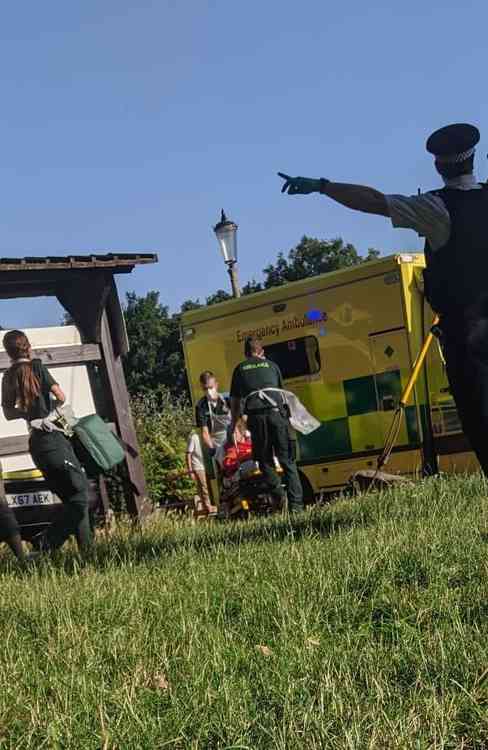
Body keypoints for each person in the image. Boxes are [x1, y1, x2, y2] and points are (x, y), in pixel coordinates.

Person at [278, 123, 488, 475]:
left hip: (468, 336)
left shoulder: (437, 209)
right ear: (474, 159)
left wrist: (323, 187)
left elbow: (374, 201)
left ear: (438, 165)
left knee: (480, 419)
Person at [1, 330, 93, 554]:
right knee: (81, 496)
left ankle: (88, 554)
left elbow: (8, 413)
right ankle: (47, 541)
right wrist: (48, 413)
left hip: (36, 445)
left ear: (9, 352)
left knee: (72, 498)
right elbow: (61, 396)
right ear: (28, 346)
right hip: (54, 440)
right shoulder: (38, 367)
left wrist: (29, 417)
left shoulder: (8, 377)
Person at [229, 336, 304, 513]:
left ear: (246, 353)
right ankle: (297, 507)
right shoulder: (272, 366)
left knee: (264, 462)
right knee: (288, 462)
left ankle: (279, 496)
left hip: (256, 419)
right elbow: (280, 393)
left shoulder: (239, 369)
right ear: (261, 352)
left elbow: (234, 401)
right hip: (277, 416)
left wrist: (235, 423)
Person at [195, 371, 231, 455]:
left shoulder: (228, 398)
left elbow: (240, 421)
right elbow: (205, 432)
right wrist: (211, 448)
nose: (208, 391)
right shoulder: (201, 406)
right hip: (217, 443)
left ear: (216, 385)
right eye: (205, 389)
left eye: (211, 387)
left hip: (234, 437)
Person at [186, 429, 217, 518]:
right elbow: (188, 454)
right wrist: (190, 470)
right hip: (198, 466)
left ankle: (210, 505)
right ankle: (208, 507)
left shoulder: (209, 436)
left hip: (207, 464)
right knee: (204, 486)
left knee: (210, 485)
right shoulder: (194, 437)